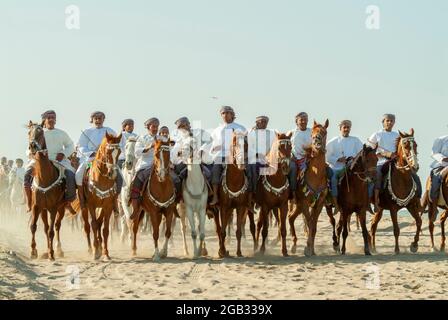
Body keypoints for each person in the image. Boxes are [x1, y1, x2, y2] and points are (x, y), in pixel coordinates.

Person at [23, 110, 76, 211]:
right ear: (44, 120)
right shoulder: (38, 132)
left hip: (59, 161)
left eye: (53, 117)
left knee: (70, 175)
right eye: (49, 118)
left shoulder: (62, 133)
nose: (51, 119)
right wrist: (30, 153)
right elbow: (30, 146)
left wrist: (63, 153)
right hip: (40, 160)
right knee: (27, 175)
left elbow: (70, 145)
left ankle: (68, 202)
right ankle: (29, 201)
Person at [367, 114, 421, 211]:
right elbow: (370, 152)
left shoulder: (397, 135)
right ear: (383, 122)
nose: (389, 123)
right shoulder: (376, 134)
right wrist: (386, 154)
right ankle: (375, 202)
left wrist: (397, 154)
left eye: (392, 121)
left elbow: (401, 150)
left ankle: (418, 201)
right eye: (387, 120)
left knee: (414, 175)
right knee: (378, 175)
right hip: (381, 162)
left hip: (396, 162)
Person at [76, 111, 122, 208]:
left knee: (120, 177)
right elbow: (81, 146)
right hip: (90, 159)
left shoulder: (110, 131)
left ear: (103, 119)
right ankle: (81, 199)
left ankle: (115, 201)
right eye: (95, 118)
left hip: (108, 160)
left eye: (100, 118)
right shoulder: (86, 131)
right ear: (92, 120)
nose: (98, 120)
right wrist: (91, 153)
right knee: (78, 174)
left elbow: (117, 144)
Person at [209, 106, 246, 206]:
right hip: (220, 156)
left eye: (227, 113)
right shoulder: (216, 130)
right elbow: (212, 144)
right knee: (214, 171)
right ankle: (215, 196)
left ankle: (250, 197)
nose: (225, 115)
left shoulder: (240, 128)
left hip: (237, 156)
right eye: (223, 113)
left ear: (232, 114)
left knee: (249, 172)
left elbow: (245, 142)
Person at [326, 120, 363, 210]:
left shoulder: (356, 140)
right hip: (337, 168)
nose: (346, 129)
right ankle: (335, 203)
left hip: (352, 167)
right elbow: (327, 157)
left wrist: (354, 159)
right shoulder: (333, 141)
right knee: (334, 179)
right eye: (344, 127)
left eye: (348, 127)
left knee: (366, 180)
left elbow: (362, 153)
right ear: (340, 128)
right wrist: (338, 159)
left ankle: (366, 202)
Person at [129, 118, 161, 217]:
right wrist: (148, 147)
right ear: (148, 127)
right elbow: (137, 152)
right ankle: (135, 208)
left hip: (160, 166)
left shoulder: (162, 138)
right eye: (153, 126)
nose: (155, 128)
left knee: (174, 179)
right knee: (136, 183)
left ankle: (173, 203)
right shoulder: (142, 138)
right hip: (145, 165)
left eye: (157, 126)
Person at [170, 116, 212, 190]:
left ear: (189, 124)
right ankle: (179, 195)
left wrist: (202, 150)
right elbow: (174, 156)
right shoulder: (179, 140)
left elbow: (210, 141)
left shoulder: (200, 132)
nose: (185, 127)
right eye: (182, 126)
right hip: (186, 163)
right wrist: (181, 154)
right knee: (176, 177)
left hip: (201, 160)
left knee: (209, 174)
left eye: (186, 124)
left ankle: (211, 194)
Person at [247, 115, 275, 199]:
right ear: (257, 123)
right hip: (254, 159)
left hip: (268, 159)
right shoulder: (251, 133)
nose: (263, 123)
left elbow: (273, 146)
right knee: (253, 171)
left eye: (265, 122)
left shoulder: (271, 133)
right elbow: (250, 147)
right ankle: (254, 191)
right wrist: (258, 155)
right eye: (261, 121)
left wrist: (269, 157)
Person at [288, 112, 312, 200]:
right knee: (292, 169)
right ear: (296, 122)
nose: (303, 122)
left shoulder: (311, 131)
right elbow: (286, 146)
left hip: (308, 159)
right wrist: (290, 155)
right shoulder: (292, 133)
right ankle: (293, 192)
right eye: (301, 120)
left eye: (305, 120)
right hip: (294, 158)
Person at [429, 131, 448, 202]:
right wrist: (444, 159)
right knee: (437, 177)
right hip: (442, 165)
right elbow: (434, 153)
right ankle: (434, 198)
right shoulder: (441, 139)